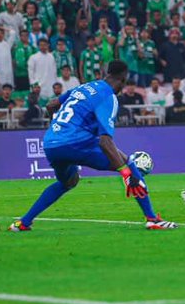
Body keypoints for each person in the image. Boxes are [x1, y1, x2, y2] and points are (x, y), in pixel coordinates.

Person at [9, 60, 176, 232]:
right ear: (122, 80)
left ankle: (23, 223)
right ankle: (152, 218)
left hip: (51, 143)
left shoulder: (84, 87)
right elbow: (105, 141)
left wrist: (55, 126)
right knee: (130, 163)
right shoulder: (108, 97)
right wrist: (125, 172)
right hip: (75, 141)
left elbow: (51, 105)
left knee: (68, 181)